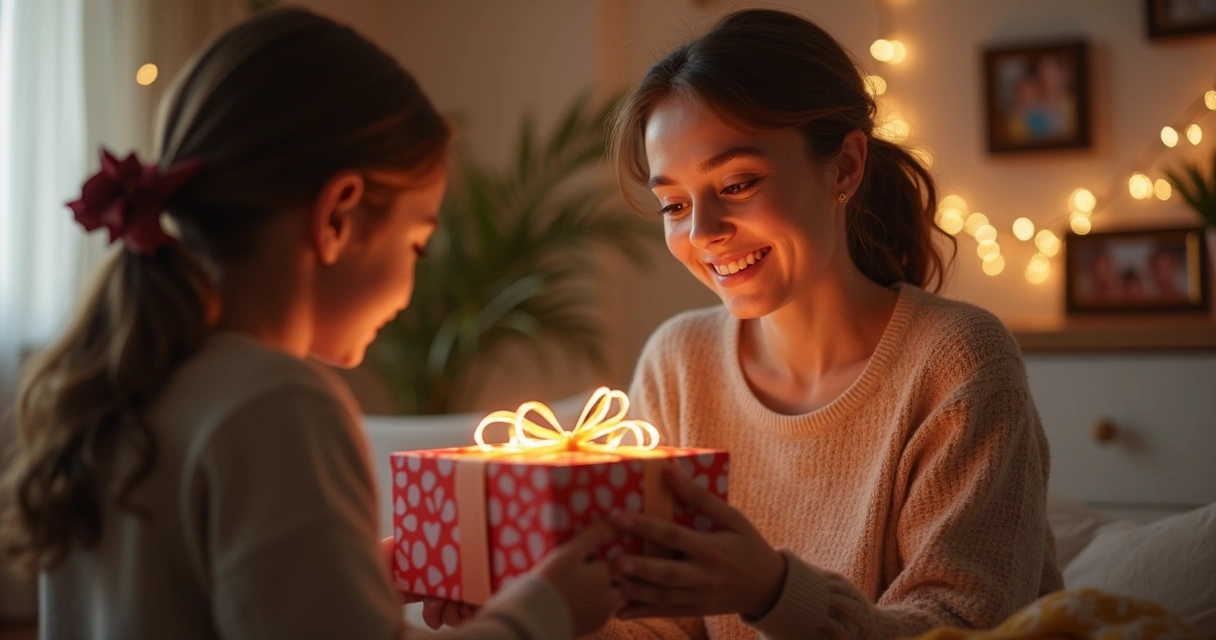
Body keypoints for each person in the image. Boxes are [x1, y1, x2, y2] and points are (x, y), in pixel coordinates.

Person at [0, 8, 617, 639]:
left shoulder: (117, 384)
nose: (410, 291)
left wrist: (391, 565)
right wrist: (548, 608)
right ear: (338, 218)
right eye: (417, 245)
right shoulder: (275, 402)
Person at [593, 8, 1062, 639]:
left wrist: (775, 593)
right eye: (674, 204)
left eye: (737, 184)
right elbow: (660, 626)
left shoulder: (958, 362)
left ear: (843, 167)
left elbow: (964, 625)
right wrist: (528, 611)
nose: (702, 233)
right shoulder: (678, 362)